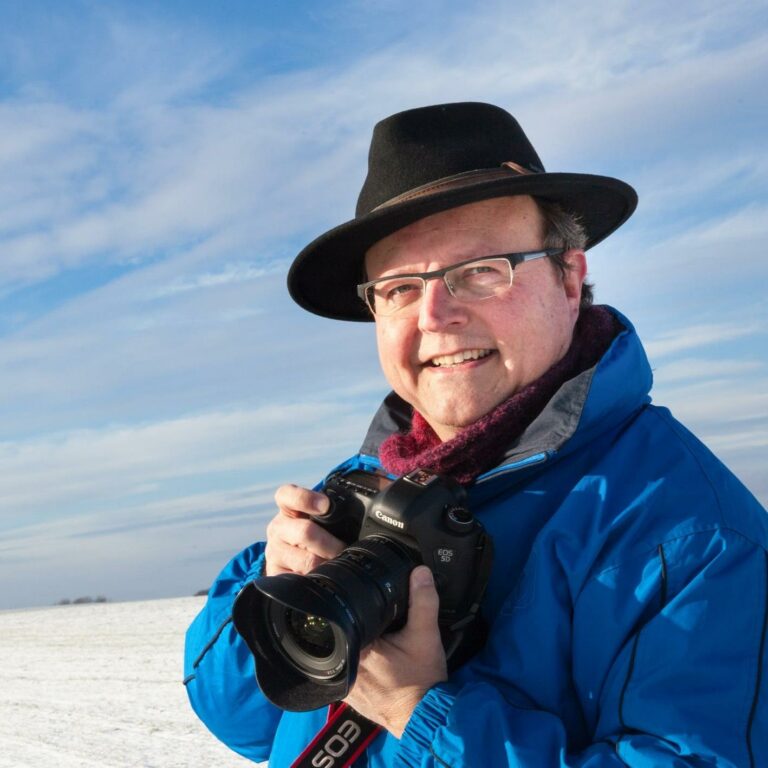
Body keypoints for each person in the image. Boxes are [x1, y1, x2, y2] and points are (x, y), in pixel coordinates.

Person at [184, 102, 768, 767]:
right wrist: (272, 588)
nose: (435, 316)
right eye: (400, 288)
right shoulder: (363, 483)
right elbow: (242, 721)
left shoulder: (692, 535)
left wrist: (420, 712)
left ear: (569, 278)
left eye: (482, 270)